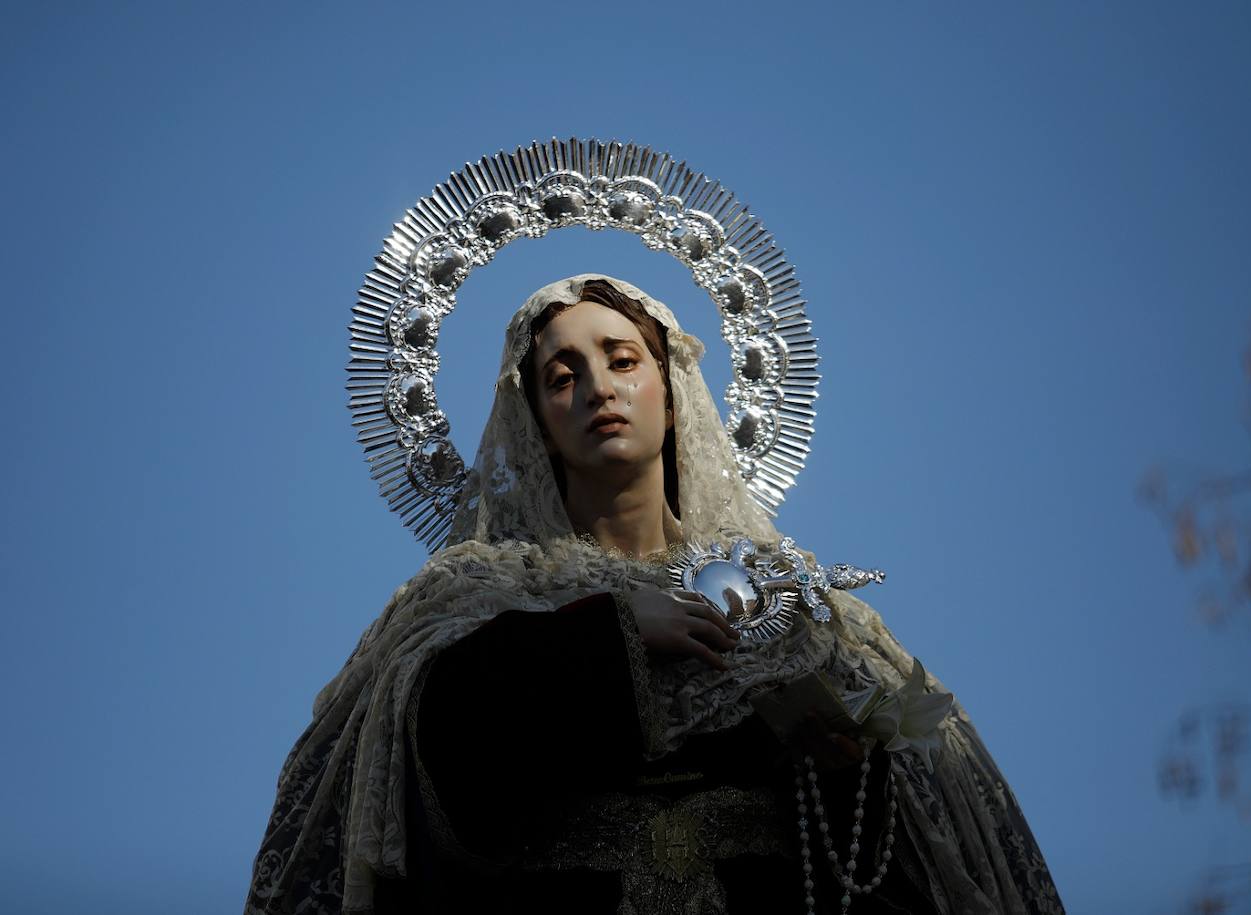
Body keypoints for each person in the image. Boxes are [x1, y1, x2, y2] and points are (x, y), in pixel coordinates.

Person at [244, 274, 1064, 915]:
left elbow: (898, 856)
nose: (597, 385)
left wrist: (846, 764)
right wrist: (609, 635)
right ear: (535, 420)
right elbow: (423, 758)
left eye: (622, 358)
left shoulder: (800, 614)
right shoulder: (476, 600)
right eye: (563, 375)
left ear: (672, 393)